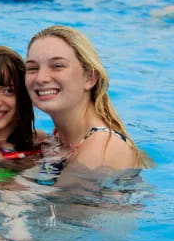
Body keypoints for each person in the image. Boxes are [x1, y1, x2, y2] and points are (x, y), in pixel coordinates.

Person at [25, 25, 150, 170]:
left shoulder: (101, 148)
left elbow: (59, 193)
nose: (41, 78)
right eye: (32, 68)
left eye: (58, 66)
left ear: (90, 78)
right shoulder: (58, 139)